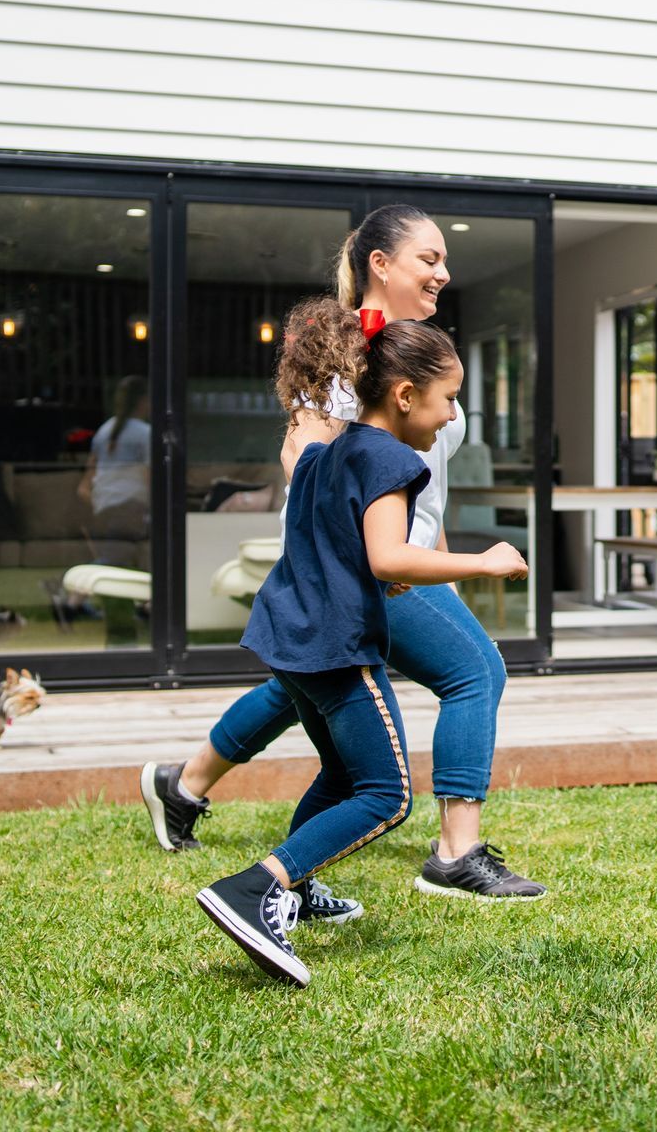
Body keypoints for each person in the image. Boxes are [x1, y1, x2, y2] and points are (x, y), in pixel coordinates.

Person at [142, 204, 546, 911]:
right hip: (366, 566)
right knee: (473, 672)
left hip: (401, 558)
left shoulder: (415, 353)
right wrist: (364, 560)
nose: (444, 272)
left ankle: (184, 785)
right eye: (429, 258)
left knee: (307, 689)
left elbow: (430, 490)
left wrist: (444, 565)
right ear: (379, 264)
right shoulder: (341, 354)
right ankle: (456, 853)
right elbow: (302, 457)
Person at [197, 310, 529, 986]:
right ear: (406, 395)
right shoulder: (394, 461)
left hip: (287, 636)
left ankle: (293, 889)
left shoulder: (332, 450)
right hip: (335, 647)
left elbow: (337, 543)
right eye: (448, 399)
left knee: (344, 776)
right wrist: (484, 563)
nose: (451, 415)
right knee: (387, 793)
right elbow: (387, 558)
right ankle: (256, 888)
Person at [80, 375, 151, 566]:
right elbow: (150, 479)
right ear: (143, 401)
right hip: (130, 509)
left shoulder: (103, 432)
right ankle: (73, 592)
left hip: (103, 507)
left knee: (121, 556)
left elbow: (85, 484)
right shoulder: (145, 434)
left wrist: (99, 502)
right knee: (114, 559)